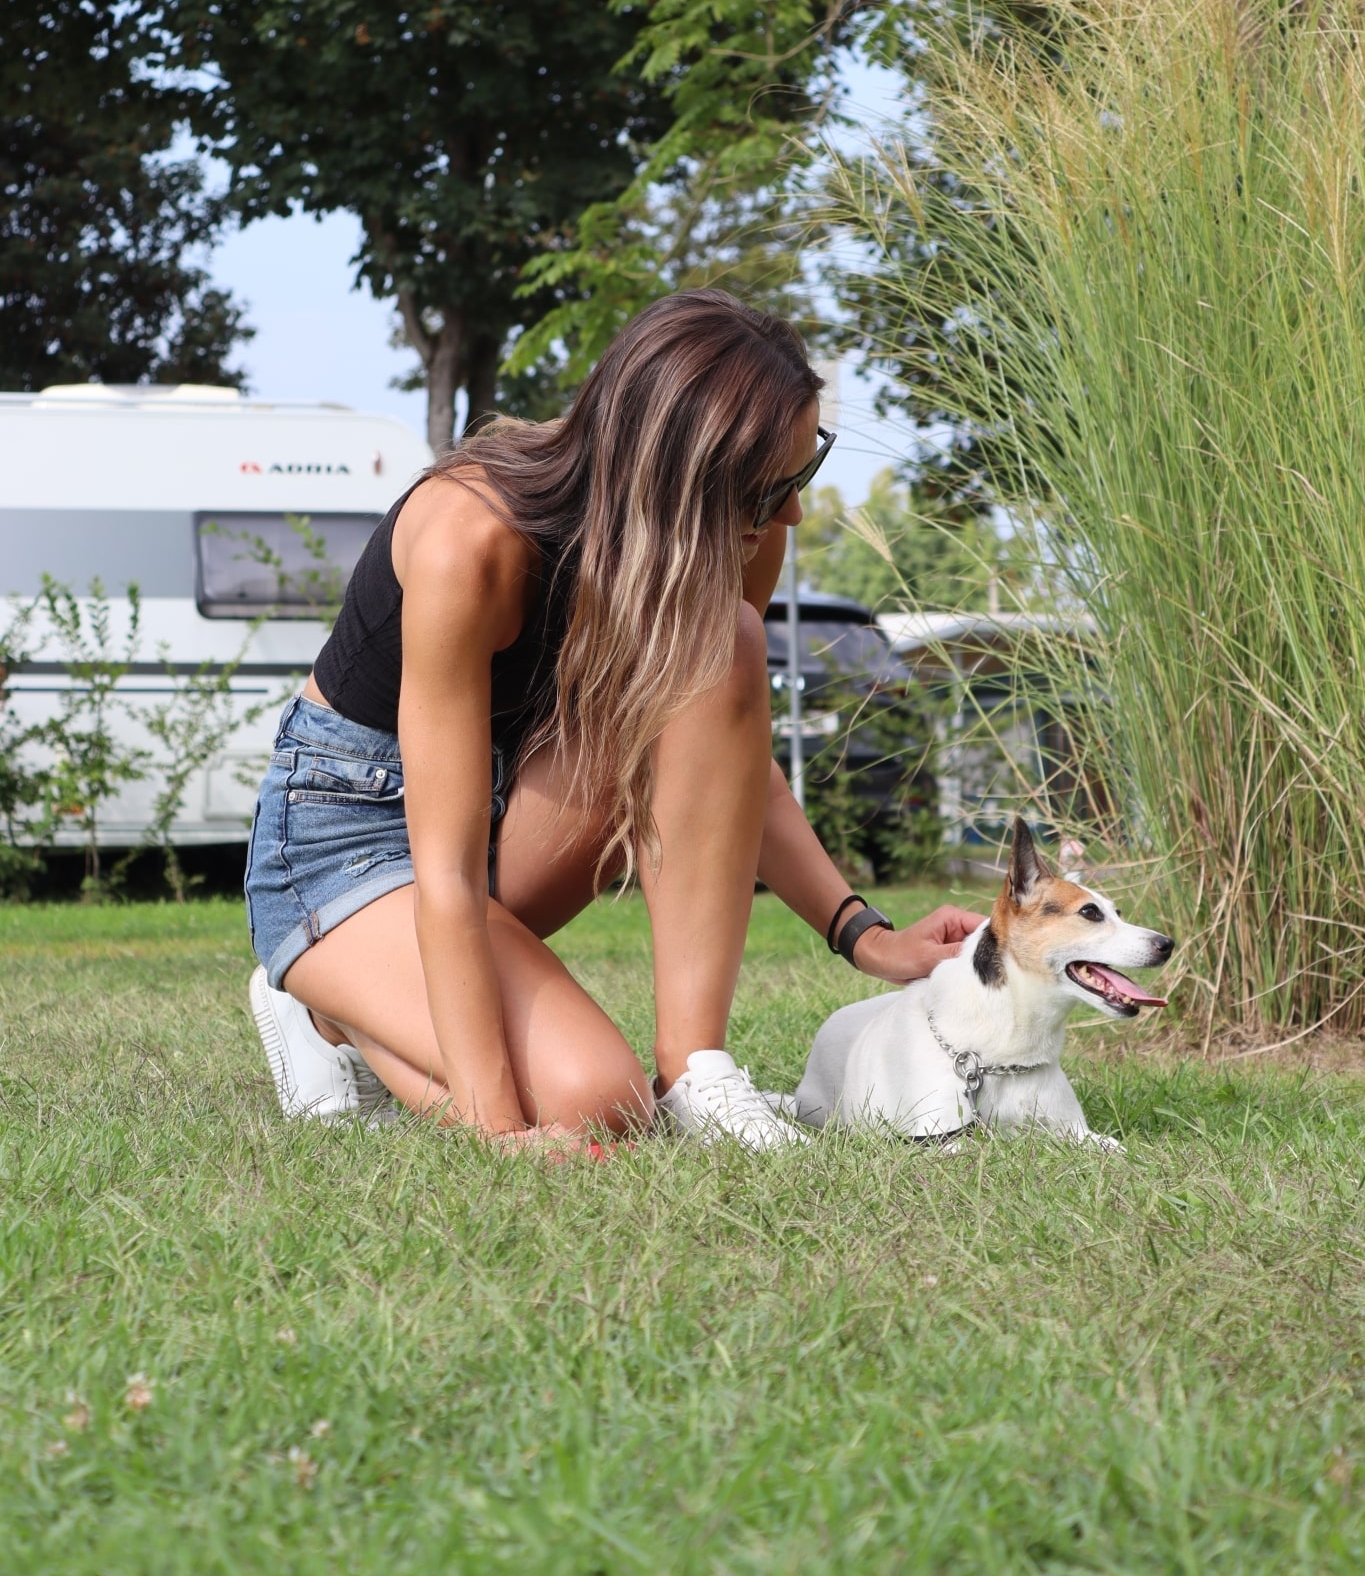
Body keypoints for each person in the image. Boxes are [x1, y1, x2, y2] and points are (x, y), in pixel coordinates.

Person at [244, 289, 983, 1151]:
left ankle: (697, 1072)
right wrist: (498, 1133)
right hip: (345, 835)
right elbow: (440, 872)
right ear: (682, 479)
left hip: (503, 812)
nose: (789, 515)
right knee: (594, 1103)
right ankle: (325, 1008)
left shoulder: (737, 530)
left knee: (727, 638)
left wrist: (868, 937)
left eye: (801, 471)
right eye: (773, 488)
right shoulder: (470, 537)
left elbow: (727, 770)